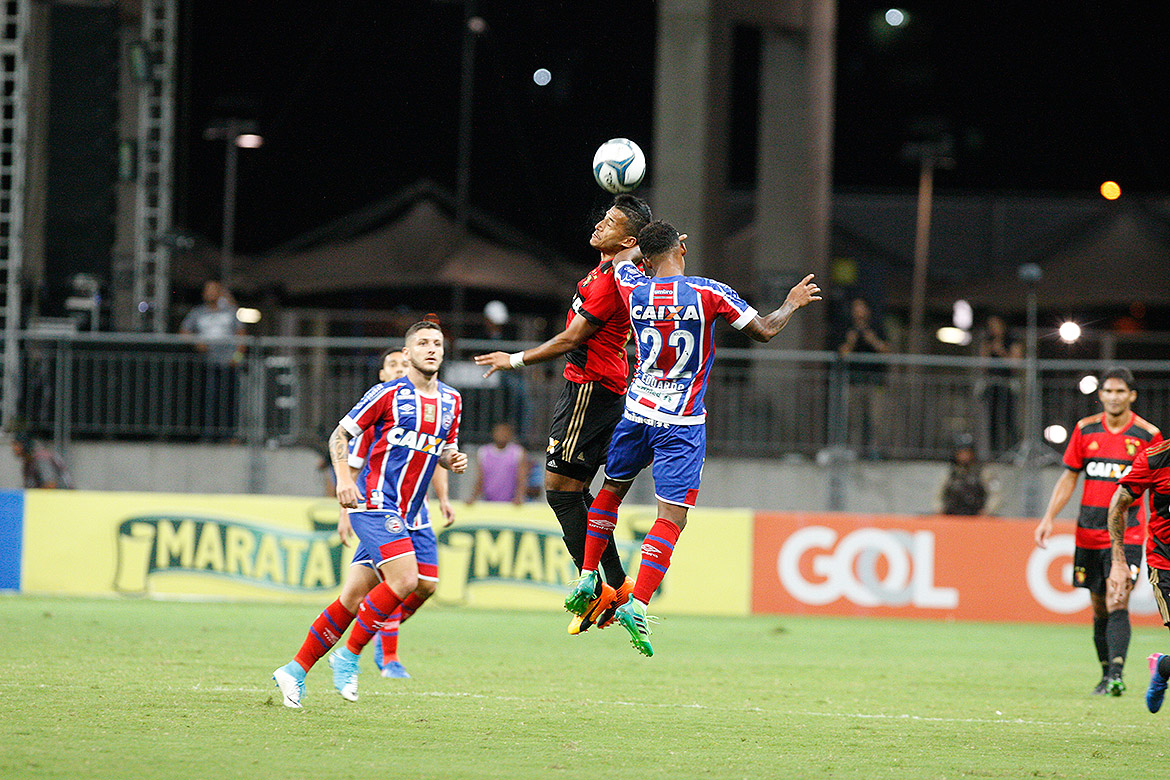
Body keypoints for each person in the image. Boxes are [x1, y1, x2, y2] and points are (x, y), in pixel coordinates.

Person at [565, 220, 821, 656]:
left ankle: (589, 574)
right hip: (680, 423)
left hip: (637, 411)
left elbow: (624, 260)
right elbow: (764, 330)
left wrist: (637, 247)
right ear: (681, 248)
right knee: (672, 517)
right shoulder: (709, 292)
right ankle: (638, 603)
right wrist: (791, 304)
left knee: (610, 491)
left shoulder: (633, 285)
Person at [474, 194, 654, 635]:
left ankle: (597, 587)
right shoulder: (610, 269)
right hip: (598, 386)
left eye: (610, 223)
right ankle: (613, 587)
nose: (599, 225)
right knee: (572, 489)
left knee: (559, 490)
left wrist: (514, 360)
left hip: (590, 390)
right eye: (602, 218)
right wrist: (638, 246)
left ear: (627, 239)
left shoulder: (612, 281)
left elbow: (570, 338)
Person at [272, 321, 466, 708]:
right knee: (405, 579)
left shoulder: (452, 400)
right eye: (423, 343)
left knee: (357, 597)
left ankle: (294, 671)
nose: (431, 349)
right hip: (376, 502)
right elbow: (339, 436)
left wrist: (452, 458)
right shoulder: (387, 393)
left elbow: (441, 449)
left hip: (413, 513)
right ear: (407, 353)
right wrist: (344, 479)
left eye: (437, 344)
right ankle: (350, 655)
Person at [1034, 366, 1161, 696]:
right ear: (1100, 394)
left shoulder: (1149, 436)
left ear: (1132, 396)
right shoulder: (1085, 430)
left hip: (1128, 533)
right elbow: (1069, 477)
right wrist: (1048, 517)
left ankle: (1117, 674)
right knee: (1099, 605)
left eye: (1121, 391)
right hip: (1088, 531)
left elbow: (1161, 487)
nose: (1114, 397)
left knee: (1117, 597)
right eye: (1109, 391)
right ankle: (1106, 674)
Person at [346, 347, 455, 679]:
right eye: (391, 365)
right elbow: (353, 466)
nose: (397, 369)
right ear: (382, 375)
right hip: (380, 508)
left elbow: (436, 455)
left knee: (426, 586)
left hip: (417, 511)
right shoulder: (376, 413)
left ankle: (373, 626)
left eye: (403, 364)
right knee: (394, 583)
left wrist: (444, 497)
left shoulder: (433, 408)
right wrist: (345, 512)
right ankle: (385, 656)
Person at [1105, 438, 1170, 713]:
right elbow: (1119, 505)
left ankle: (1162, 666)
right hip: (1166, 563)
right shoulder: (1155, 459)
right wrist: (1119, 561)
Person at [180, 280, 244, 440]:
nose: (211, 294)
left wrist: (237, 357)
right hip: (208, 362)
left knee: (230, 400)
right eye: (208, 291)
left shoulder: (229, 311)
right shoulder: (198, 312)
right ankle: (208, 434)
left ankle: (229, 434)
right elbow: (184, 331)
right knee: (210, 399)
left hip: (229, 363)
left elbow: (241, 335)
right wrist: (196, 342)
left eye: (214, 290)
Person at [836, 297, 890, 459]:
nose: (859, 312)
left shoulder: (877, 328)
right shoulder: (847, 328)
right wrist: (851, 342)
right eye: (856, 308)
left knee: (876, 420)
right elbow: (842, 353)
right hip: (854, 381)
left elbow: (886, 351)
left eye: (862, 308)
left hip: (875, 382)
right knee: (853, 419)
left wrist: (872, 339)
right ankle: (853, 451)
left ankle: (874, 451)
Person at [978, 314, 1023, 458]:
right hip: (992, 384)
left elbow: (1016, 364)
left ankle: (1012, 452)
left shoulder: (1012, 341)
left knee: (1010, 419)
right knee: (992, 420)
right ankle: (994, 453)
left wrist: (1001, 351)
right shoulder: (987, 341)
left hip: (1007, 384)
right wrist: (988, 349)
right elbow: (982, 364)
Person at [467, 421, 528, 505]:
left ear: (510, 434)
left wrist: (519, 497)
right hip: (489, 502)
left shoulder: (518, 452)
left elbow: (521, 478)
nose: (502, 434)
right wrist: (473, 497)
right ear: (493, 433)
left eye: (505, 432)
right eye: (499, 431)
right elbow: (480, 478)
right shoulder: (483, 452)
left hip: (511, 503)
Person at [938, 439, 990, 516]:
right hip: (952, 515)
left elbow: (995, 495)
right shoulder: (950, 473)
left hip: (976, 516)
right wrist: (940, 509)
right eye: (961, 453)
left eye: (967, 452)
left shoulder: (982, 472)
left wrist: (987, 511)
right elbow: (939, 494)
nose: (964, 456)